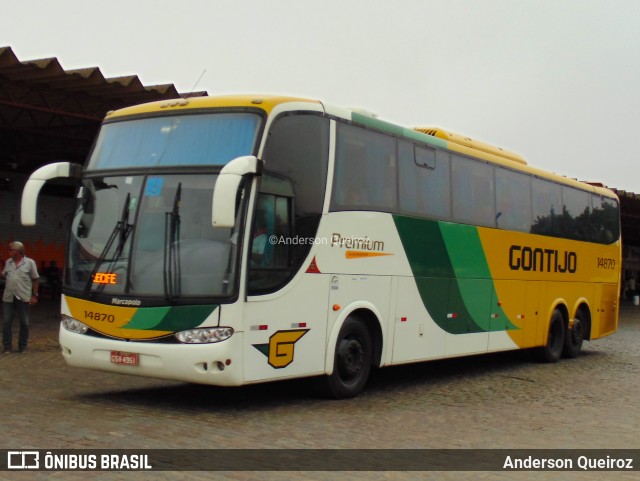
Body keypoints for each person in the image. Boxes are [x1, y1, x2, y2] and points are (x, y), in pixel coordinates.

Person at [2, 241, 39, 354]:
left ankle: (22, 346)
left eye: (11, 250)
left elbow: (35, 279)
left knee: (24, 322)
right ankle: (7, 347)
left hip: (23, 297)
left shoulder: (29, 263)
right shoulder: (8, 262)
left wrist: (34, 295)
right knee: (6, 321)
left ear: (18, 251)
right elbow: (4, 275)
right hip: (8, 297)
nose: (9, 252)